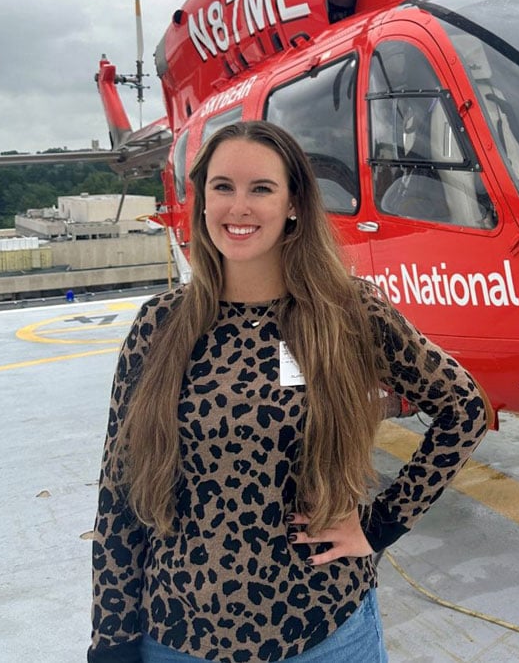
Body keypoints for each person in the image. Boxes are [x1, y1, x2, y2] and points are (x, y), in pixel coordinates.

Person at [88, 120, 492, 662]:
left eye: (262, 189)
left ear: (294, 204)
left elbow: (463, 407)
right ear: (201, 201)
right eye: (223, 187)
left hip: (323, 629)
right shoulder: (159, 326)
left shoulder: (346, 313)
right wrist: (111, 638)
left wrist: (380, 525)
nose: (240, 207)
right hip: (180, 633)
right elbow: (119, 490)